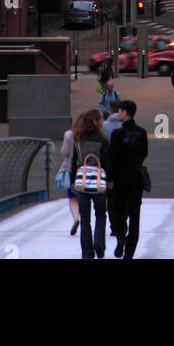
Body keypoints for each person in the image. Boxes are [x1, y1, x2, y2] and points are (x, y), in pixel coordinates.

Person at [107, 99, 149, 260]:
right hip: (136, 178)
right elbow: (145, 153)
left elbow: (112, 157)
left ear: (124, 112)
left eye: (119, 111)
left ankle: (120, 239)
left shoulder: (117, 134)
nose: (118, 113)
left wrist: (110, 178)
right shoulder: (142, 132)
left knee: (117, 211)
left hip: (119, 178)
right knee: (134, 214)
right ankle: (129, 252)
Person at [69, 109, 110, 260]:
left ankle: (87, 253)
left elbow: (73, 161)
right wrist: (110, 180)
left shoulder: (78, 138)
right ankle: (99, 241)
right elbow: (106, 162)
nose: (102, 121)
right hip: (98, 180)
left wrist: (73, 180)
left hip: (82, 181)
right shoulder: (102, 139)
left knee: (85, 219)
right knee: (100, 213)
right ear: (95, 121)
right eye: (100, 119)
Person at [58, 126, 81, 237]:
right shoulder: (90, 134)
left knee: (72, 198)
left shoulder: (69, 135)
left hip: (70, 169)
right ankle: (86, 222)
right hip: (84, 170)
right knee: (84, 196)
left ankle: (76, 218)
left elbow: (64, 152)